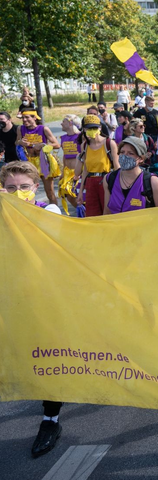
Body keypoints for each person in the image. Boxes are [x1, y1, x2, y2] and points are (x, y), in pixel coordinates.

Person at [0, 161, 63, 458]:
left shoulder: (50, 211)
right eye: (10, 188)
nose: (18, 192)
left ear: (34, 187)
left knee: (46, 354)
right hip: (9, 295)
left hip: (43, 295)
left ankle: (50, 419)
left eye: (24, 187)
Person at [103, 136, 158, 214]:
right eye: (122, 152)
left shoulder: (153, 182)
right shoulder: (109, 179)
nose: (124, 156)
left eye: (130, 153)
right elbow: (107, 211)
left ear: (141, 159)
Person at [77, 114, 119, 217]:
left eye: (94, 128)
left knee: (107, 213)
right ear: (84, 129)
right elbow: (85, 170)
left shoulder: (109, 143)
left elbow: (117, 167)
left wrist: (117, 189)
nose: (91, 130)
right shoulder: (85, 145)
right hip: (90, 182)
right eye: (88, 128)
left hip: (105, 180)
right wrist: (81, 191)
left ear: (100, 128)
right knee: (92, 215)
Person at [16, 108, 60, 204]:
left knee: (49, 192)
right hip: (28, 162)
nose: (24, 120)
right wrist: (20, 142)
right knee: (27, 191)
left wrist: (43, 145)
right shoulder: (20, 128)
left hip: (43, 161)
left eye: (27, 118)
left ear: (34, 118)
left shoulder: (43, 129)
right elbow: (17, 141)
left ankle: (55, 213)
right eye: (23, 118)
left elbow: (56, 145)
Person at [59, 115, 83, 211]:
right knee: (68, 195)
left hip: (78, 172)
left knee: (79, 195)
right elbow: (65, 155)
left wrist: (80, 172)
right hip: (68, 172)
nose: (61, 123)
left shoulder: (80, 137)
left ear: (70, 123)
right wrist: (63, 172)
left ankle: (84, 213)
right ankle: (81, 212)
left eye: (63, 121)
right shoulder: (63, 137)